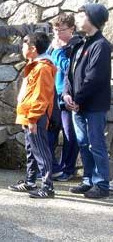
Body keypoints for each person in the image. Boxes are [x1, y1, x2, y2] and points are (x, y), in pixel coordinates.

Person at [64, 3, 111, 199]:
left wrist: (77, 99)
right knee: (83, 143)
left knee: (96, 144)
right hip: (77, 104)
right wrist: (66, 94)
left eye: (81, 15)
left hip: (93, 106)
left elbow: (94, 77)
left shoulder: (101, 45)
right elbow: (69, 73)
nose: (77, 18)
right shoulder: (80, 43)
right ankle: (88, 180)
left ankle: (101, 184)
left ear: (92, 18)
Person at [8, 31, 57, 199]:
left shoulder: (42, 68)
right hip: (28, 115)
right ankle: (30, 181)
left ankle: (47, 187)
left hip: (34, 116)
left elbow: (40, 95)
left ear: (33, 48)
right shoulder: (35, 64)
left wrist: (33, 118)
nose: (22, 47)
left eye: (24, 45)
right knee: (31, 149)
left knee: (40, 150)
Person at [45, 13, 80, 182]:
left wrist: (59, 51)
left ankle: (68, 169)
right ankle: (50, 168)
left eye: (61, 30)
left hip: (67, 96)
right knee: (49, 132)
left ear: (72, 29)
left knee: (69, 135)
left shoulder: (76, 45)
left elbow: (71, 69)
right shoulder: (53, 46)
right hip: (51, 96)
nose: (57, 34)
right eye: (55, 30)